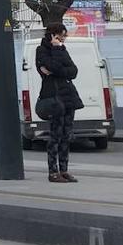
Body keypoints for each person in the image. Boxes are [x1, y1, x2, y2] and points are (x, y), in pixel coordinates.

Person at [38, 22, 84, 183]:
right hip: (54, 98)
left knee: (66, 136)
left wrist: (57, 70)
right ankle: (53, 172)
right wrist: (57, 49)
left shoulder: (62, 49)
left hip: (68, 98)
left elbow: (73, 71)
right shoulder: (41, 51)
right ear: (53, 35)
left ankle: (64, 170)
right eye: (63, 35)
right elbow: (53, 66)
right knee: (55, 136)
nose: (65, 38)